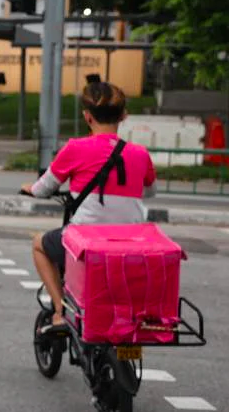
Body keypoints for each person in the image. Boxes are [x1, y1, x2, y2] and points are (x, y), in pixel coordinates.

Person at [21, 82, 156, 333]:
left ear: (87, 116)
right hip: (132, 242)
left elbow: (43, 188)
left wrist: (31, 188)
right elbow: (150, 191)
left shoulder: (75, 148)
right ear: (123, 116)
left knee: (40, 244)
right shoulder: (140, 153)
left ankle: (60, 312)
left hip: (87, 242)